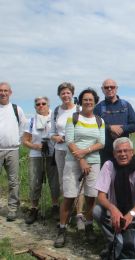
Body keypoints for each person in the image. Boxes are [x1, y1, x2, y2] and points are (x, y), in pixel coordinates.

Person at [54, 88, 105, 248]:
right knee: (69, 197)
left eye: (91, 100)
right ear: (80, 102)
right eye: (85, 100)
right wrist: (81, 159)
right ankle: (62, 230)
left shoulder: (99, 121)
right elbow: (69, 141)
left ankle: (89, 227)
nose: (88, 102)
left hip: (94, 162)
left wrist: (85, 152)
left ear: (95, 102)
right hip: (72, 162)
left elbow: (101, 143)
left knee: (91, 197)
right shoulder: (73, 118)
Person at [93, 137, 135, 256]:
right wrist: (113, 209)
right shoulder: (108, 165)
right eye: (119, 151)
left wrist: (131, 214)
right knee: (97, 211)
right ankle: (112, 241)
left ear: (132, 152)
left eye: (126, 151)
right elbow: (100, 196)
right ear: (114, 154)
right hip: (114, 210)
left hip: (133, 210)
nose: (123, 154)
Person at [49, 82, 85, 231]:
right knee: (64, 182)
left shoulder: (79, 110)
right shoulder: (56, 111)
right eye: (63, 93)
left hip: (76, 150)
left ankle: (80, 215)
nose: (65, 95)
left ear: (72, 94)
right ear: (59, 95)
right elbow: (51, 132)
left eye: (68, 93)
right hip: (60, 150)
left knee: (79, 180)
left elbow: (84, 129)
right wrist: (55, 137)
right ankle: (67, 213)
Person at [22, 97, 60, 224]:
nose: (41, 106)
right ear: (35, 107)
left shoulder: (54, 118)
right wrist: (35, 146)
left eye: (43, 103)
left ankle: (55, 206)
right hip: (36, 155)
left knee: (54, 182)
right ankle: (34, 208)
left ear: (48, 105)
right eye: (38, 104)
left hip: (52, 154)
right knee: (35, 182)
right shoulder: (31, 121)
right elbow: (25, 140)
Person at [94, 79, 135, 166]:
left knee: (125, 177)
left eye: (112, 87)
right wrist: (110, 128)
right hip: (105, 152)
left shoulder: (126, 105)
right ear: (102, 89)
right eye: (106, 87)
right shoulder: (98, 107)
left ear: (116, 88)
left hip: (124, 153)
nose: (109, 89)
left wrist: (123, 129)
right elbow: (94, 126)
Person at [0, 82, 27, 221]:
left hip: (13, 150)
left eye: (5, 90)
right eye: (1, 90)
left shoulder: (17, 109)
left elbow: (23, 125)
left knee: (13, 181)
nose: (3, 93)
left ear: (10, 92)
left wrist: (18, 139)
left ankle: (12, 208)